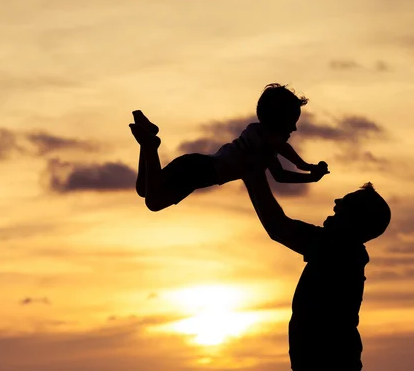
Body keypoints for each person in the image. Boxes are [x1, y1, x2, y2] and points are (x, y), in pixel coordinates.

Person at [242, 170, 391, 371]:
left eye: (346, 202)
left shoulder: (338, 249)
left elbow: (277, 226)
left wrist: (253, 174)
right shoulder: (345, 251)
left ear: (354, 219)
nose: (337, 201)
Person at [129, 83, 329, 212]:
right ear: (277, 120)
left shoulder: (258, 138)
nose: (294, 128)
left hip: (194, 165)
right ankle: (149, 146)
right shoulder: (263, 141)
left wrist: (309, 172)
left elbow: (282, 165)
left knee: (143, 189)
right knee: (153, 202)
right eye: (291, 122)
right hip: (199, 171)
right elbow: (282, 161)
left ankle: (148, 136)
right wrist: (308, 169)